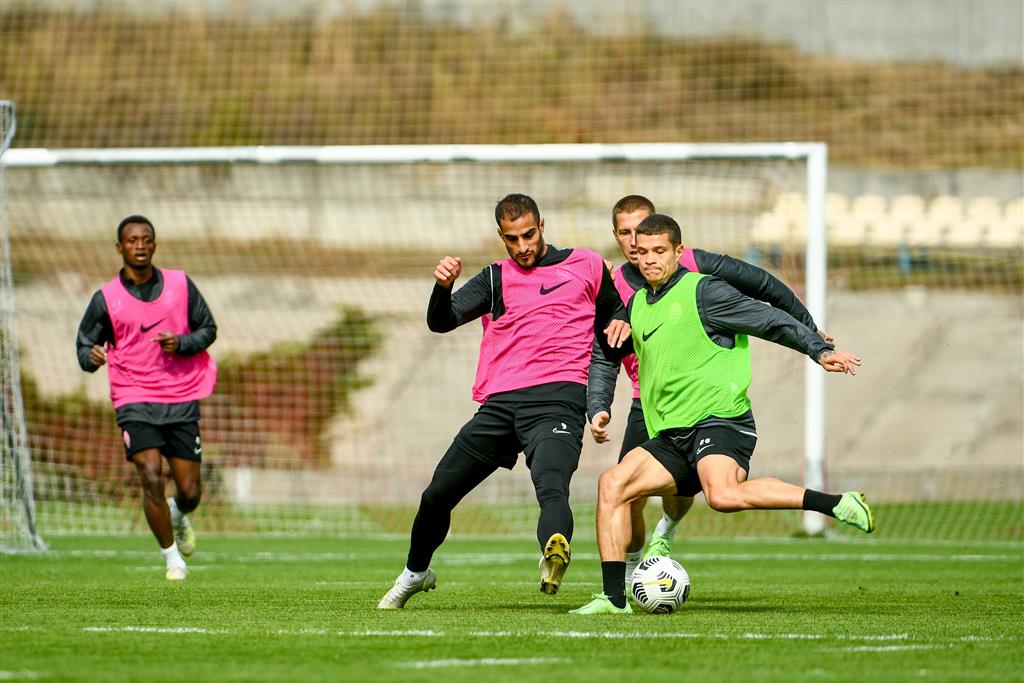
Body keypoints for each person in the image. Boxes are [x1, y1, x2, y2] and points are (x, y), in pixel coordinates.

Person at [571, 214, 872, 615]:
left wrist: (818, 349)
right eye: (642, 252)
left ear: (678, 251)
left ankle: (835, 503)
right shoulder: (637, 306)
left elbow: (769, 319)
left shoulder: (705, 291)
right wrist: (597, 407)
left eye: (659, 251)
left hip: (720, 420)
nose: (650, 259)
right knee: (612, 484)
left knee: (723, 496)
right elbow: (604, 355)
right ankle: (613, 599)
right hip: (672, 433)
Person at [378, 194, 631, 609]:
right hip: (499, 406)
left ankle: (554, 550)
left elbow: (615, 313)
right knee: (437, 496)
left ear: (542, 226)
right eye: (512, 239)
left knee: (552, 487)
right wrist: (443, 287)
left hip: (558, 401)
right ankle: (415, 573)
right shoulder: (495, 278)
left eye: (529, 235)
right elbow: (441, 322)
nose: (523, 246)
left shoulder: (586, 265)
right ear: (501, 236)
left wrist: (622, 319)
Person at [76, 215, 217, 581]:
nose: (140, 245)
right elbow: (84, 346)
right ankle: (173, 560)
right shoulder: (106, 299)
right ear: (119, 247)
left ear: (154, 244)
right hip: (133, 398)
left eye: (146, 239)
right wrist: (90, 357)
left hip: (180, 396)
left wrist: (182, 342)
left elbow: (208, 329)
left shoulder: (180, 285)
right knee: (151, 475)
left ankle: (178, 514)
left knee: (190, 492)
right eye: (132, 240)